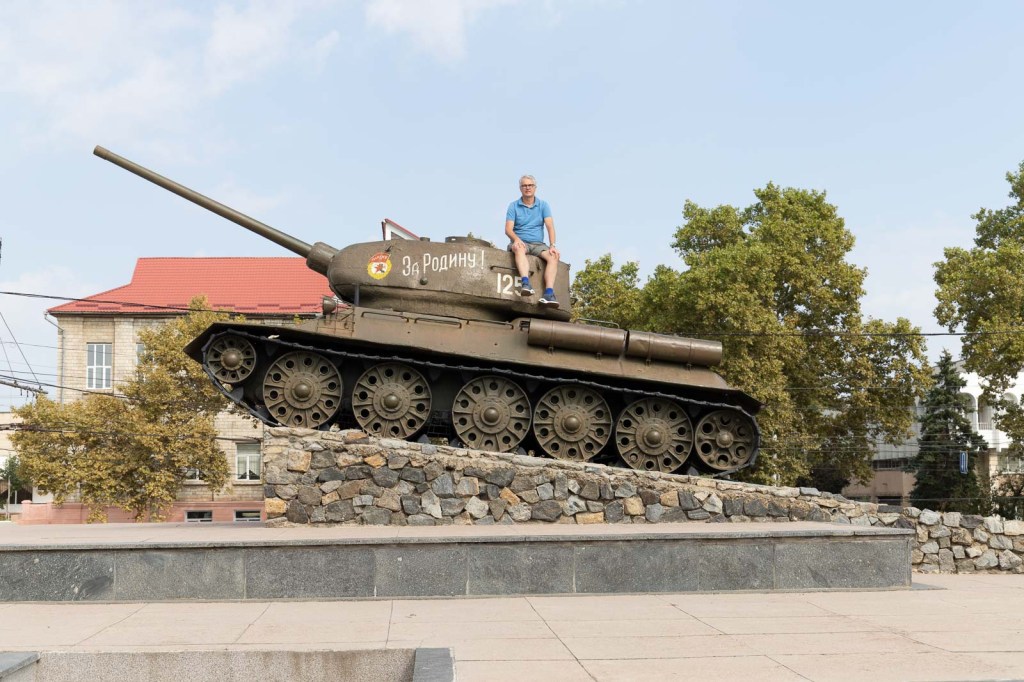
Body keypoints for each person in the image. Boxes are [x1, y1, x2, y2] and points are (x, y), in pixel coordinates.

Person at [504, 174, 560, 307]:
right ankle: (526, 283)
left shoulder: (543, 205)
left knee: (553, 256)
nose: (527, 188)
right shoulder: (513, 206)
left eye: (530, 185)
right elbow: (508, 229)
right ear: (520, 188)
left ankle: (549, 293)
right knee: (519, 248)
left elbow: (550, 226)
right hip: (521, 242)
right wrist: (516, 239)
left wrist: (552, 245)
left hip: (538, 244)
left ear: (535, 187)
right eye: (524, 185)